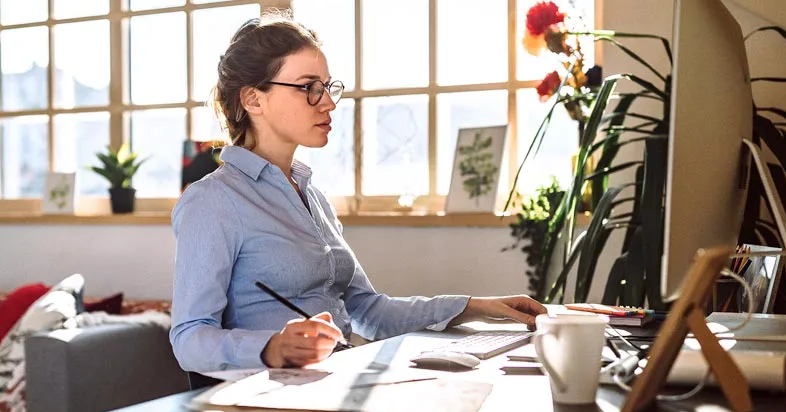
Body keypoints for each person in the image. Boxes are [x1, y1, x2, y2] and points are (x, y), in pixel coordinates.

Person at [169, 11, 548, 376]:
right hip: (268, 398)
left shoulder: (312, 196)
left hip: (337, 381)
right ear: (253, 100)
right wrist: (270, 347)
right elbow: (188, 338)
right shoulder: (213, 201)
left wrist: (474, 307)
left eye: (328, 87)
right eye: (308, 88)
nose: (329, 102)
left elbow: (370, 311)